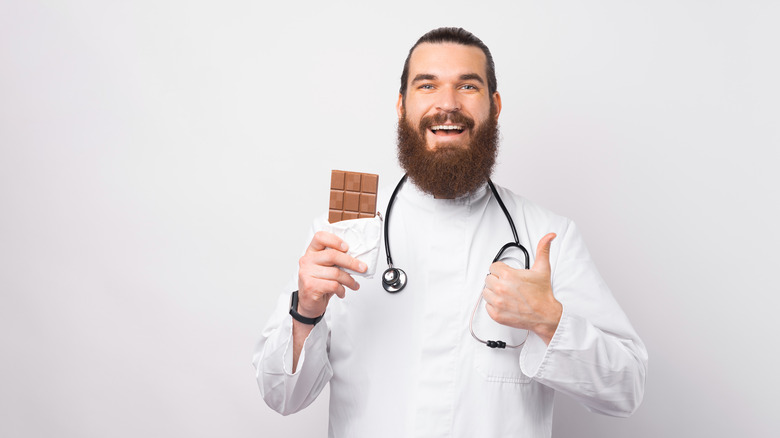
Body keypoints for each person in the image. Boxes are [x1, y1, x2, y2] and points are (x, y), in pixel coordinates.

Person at [253, 27, 647, 437]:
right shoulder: (340, 232)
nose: (447, 104)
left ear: (493, 105)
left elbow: (626, 389)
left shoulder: (547, 235)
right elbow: (282, 397)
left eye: (468, 86)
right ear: (401, 104)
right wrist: (307, 312)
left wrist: (550, 321)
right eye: (428, 85)